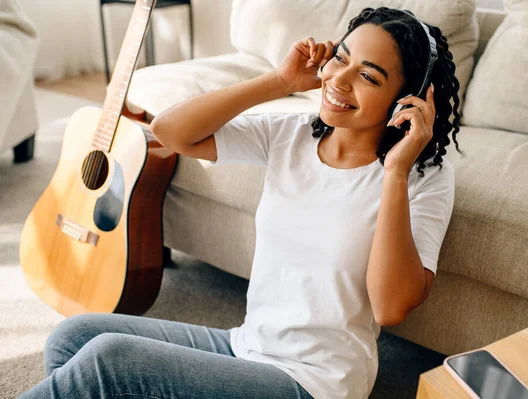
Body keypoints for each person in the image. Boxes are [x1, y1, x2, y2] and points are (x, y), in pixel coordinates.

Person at [18, 6, 464, 399]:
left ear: (408, 100)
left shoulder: (421, 177)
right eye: (340, 59)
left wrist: (395, 171)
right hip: (246, 345)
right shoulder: (294, 135)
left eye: (368, 76)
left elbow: (390, 307)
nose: (339, 80)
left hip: (315, 384)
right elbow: (172, 133)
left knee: (108, 362)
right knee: (72, 337)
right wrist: (281, 81)